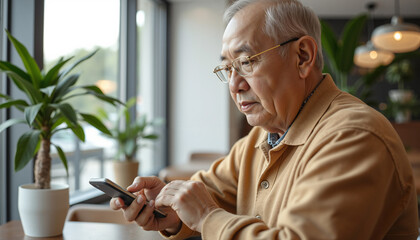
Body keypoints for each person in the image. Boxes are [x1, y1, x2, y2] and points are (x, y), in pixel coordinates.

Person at [110, 0, 419, 239]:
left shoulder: (355, 136)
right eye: (228, 68)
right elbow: (207, 191)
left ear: (302, 57)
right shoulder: (262, 137)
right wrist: (169, 208)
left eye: (246, 62)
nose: (234, 85)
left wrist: (206, 217)